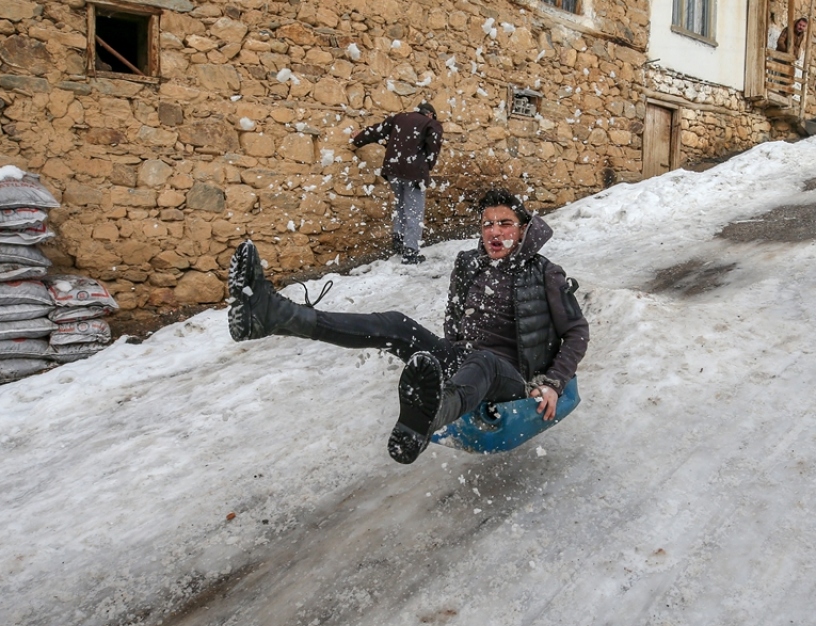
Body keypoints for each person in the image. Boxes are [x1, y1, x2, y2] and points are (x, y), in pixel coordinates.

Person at [225, 189, 590, 465]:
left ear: (523, 229)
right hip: (469, 365)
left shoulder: (544, 272)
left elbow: (576, 331)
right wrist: (448, 361)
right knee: (396, 324)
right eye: (487, 224)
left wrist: (552, 383)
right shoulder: (469, 264)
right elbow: (454, 323)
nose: (495, 232)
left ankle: (431, 416)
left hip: (514, 379)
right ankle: (274, 315)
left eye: (505, 224)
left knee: (483, 362)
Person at [351, 102, 444, 265]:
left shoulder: (399, 118)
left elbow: (377, 131)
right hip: (414, 173)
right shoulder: (431, 124)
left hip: (392, 170)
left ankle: (398, 240)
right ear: (430, 114)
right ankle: (410, 252)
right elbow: (433, 146)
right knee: (414, 211)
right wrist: (426, 166)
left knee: (401, 204)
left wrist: (358, 139)